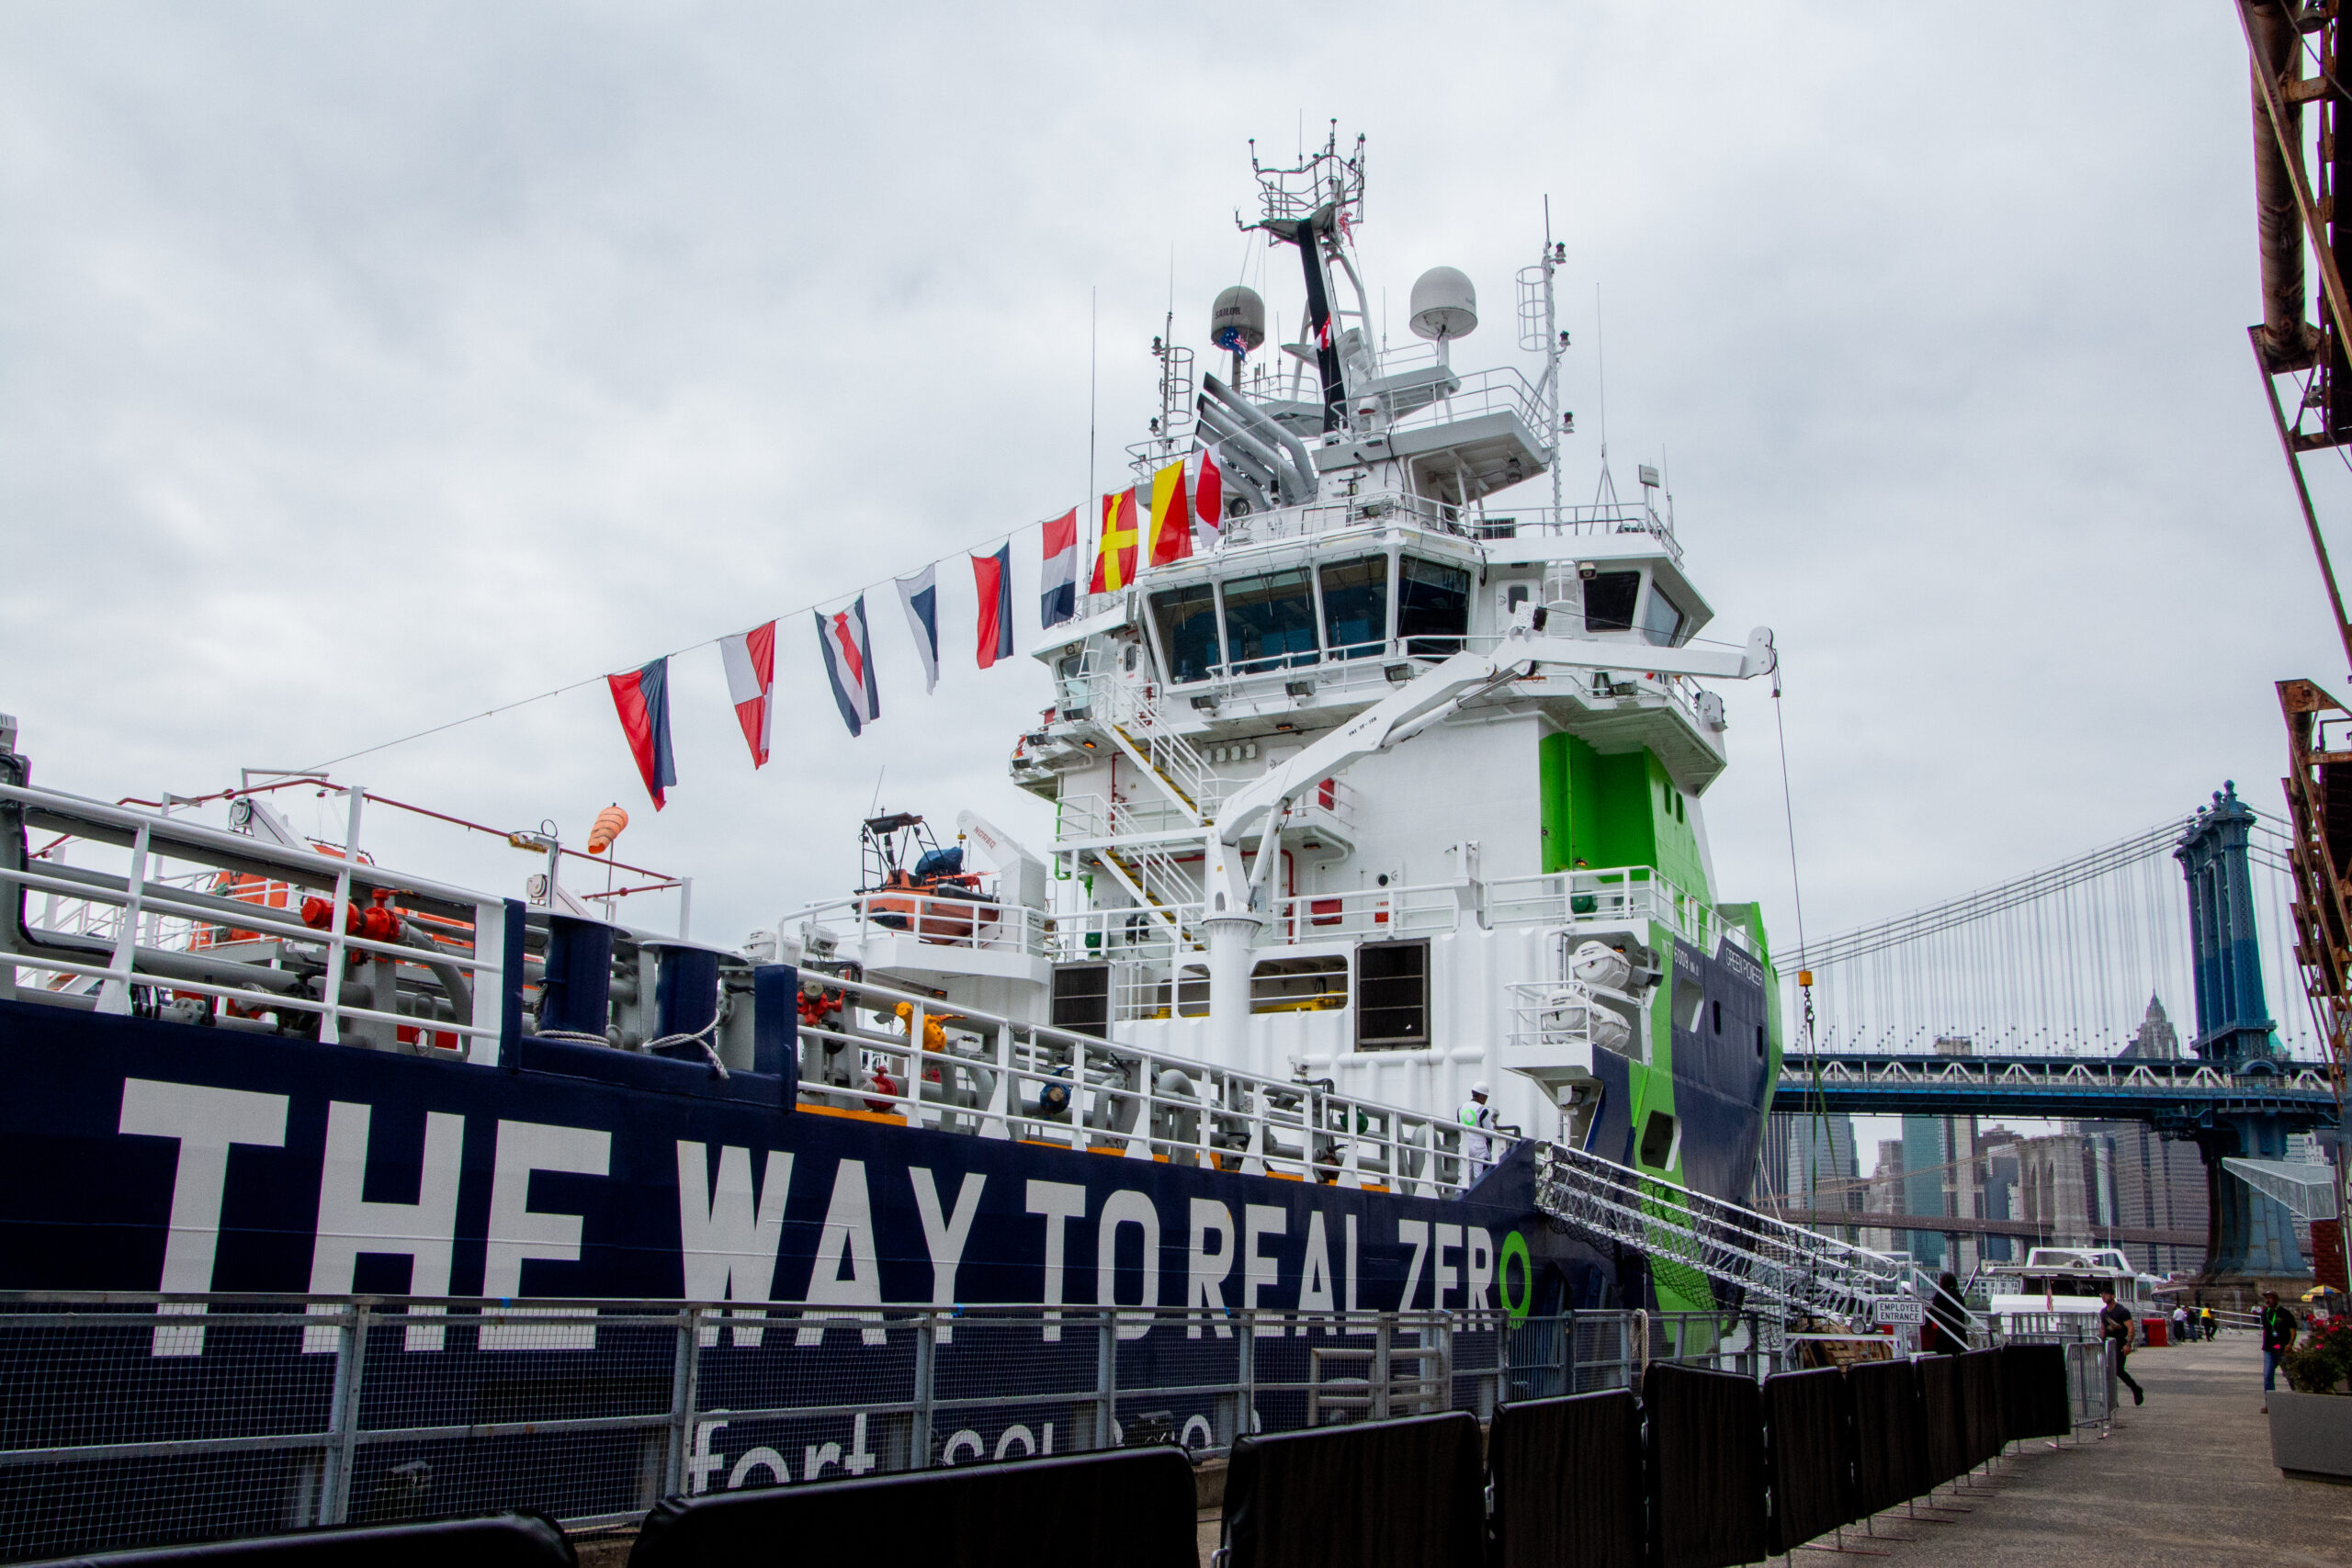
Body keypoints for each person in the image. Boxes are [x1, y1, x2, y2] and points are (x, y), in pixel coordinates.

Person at [2098, 1290, 2145, 1406]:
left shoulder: (2122, 1311)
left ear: (2112, 1296)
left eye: (2106, 1294)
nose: (2104, 1296)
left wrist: (2128, 1344)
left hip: (2119, 1343)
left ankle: (2135, 1388)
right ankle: (2112, 1400)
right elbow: (2103, 1329)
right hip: (2108, 1344)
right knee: (2108, 1371)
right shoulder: (2103, 1312)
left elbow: (2130, 1328)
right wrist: (2099, 1343)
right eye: (2102, 1294)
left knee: (2118, 1370)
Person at [2261, 1290, 2300, 1410]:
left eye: (2270, 1298)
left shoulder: (2284, 1313)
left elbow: (2292, 1330)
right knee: (2267, 1376)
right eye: (2267, 1298)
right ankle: (2270, 1404)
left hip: (2283, 1349)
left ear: (2276, 1300)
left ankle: (2299, 1397)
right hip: (2269, 1349)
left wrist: (2290, 1344)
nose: (2268, 1300)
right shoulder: (2264, 1313)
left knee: (2290, 1375)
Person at [1458, 1080, 1500, 1181]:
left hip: (1464, 1144)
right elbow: (1489, 1132)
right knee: (1480, 1176)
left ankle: (1459, 1194)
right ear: (1482, 1096)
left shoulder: (1461, 1107)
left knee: (1463, 1176)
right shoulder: (1482, 1110)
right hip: (1479, 1147)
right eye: (1486, 1097)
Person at [1922, 1270, 1970, 1355]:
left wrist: (1926, 1325)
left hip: (1945, 1337)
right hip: (1960, 1337)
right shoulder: (1959, 1297)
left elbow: (1933, 1313)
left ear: (1943, 1282)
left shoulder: (1940, 1295)